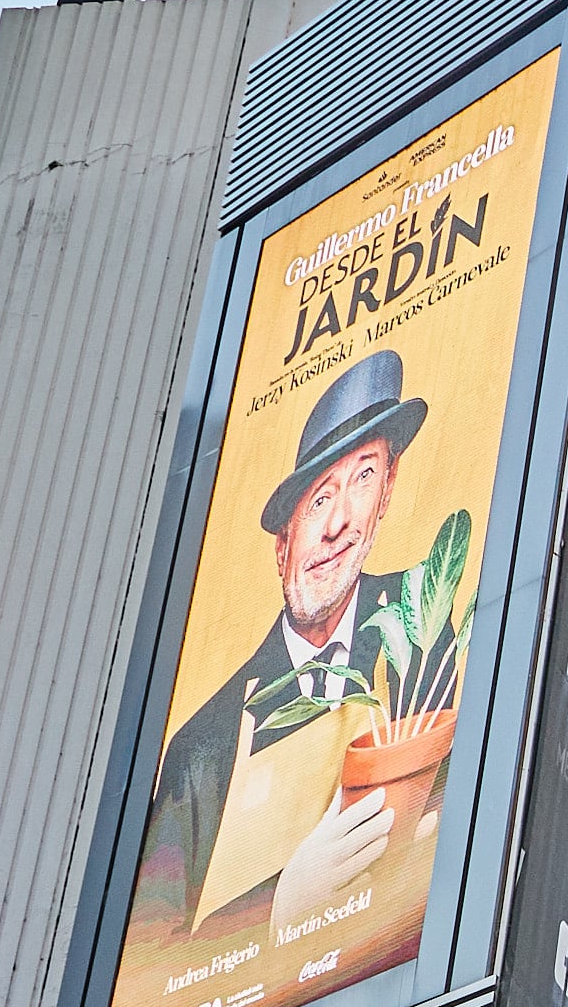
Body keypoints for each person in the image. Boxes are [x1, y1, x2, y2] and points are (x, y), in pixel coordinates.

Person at [122, 349, 428, 949]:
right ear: (282, 545)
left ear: (388, 489)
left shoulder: (428, 635)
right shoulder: (200, 746)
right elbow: (145, 973)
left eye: (362, 477)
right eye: (318, 500)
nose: (338, 523)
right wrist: (281, 906)